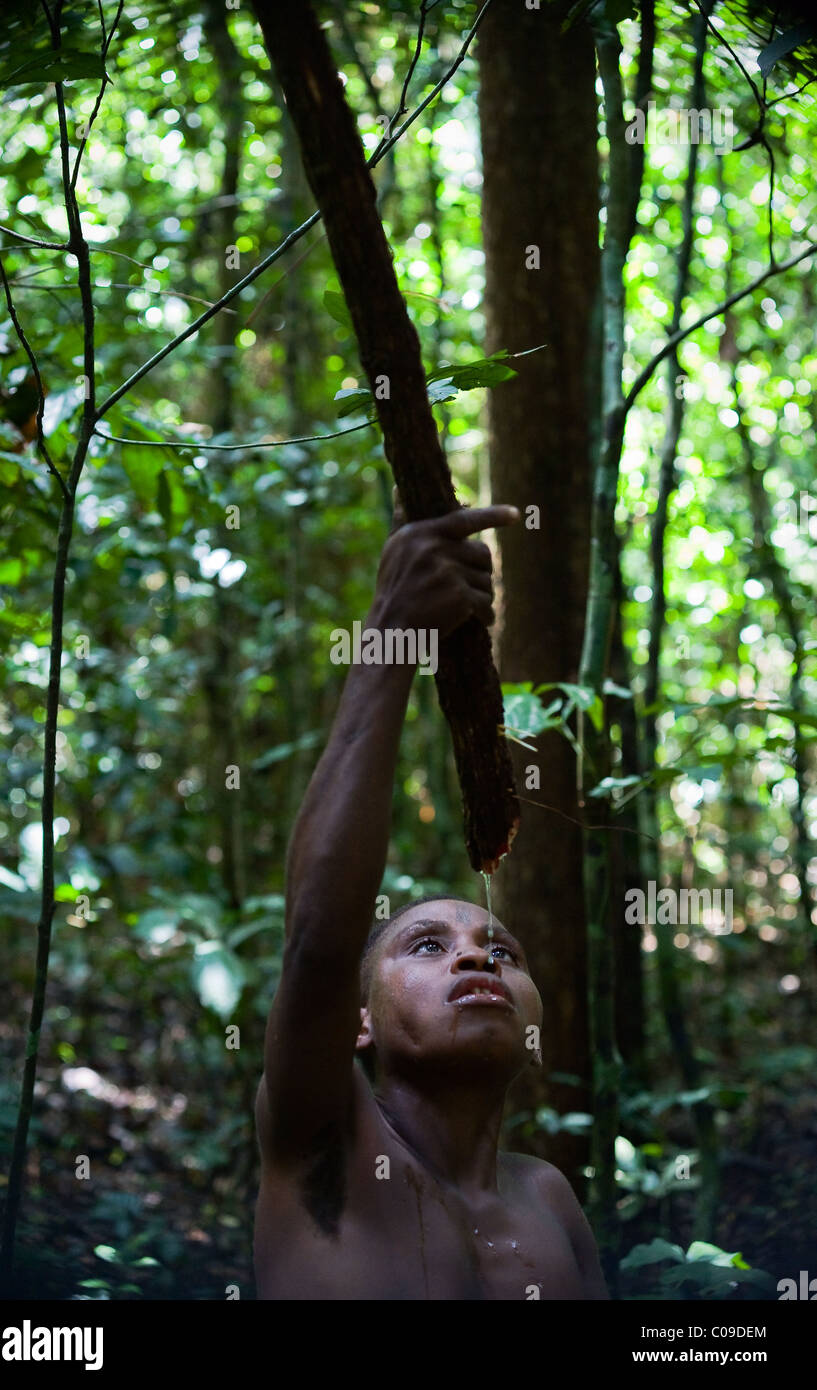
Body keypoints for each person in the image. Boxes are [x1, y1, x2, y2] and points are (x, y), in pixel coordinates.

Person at [253, 498, 608, 1299]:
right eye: (424, 945)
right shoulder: (324, 1137)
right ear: (359, 1022)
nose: (477, 953)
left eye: (501, 951)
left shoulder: (550, 1198)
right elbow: (316, 943)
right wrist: (390, 634)